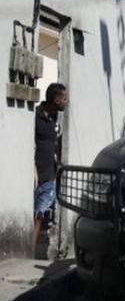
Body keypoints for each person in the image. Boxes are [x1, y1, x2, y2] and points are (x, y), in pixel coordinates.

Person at [34, 83, 68, 259]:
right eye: (63, 98)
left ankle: (42, 251)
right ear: (55, 99)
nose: (66, 102)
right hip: (38, 171)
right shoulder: (35, 117)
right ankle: (30, 251)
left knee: (45, 214)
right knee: (37, 215)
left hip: (51, 172)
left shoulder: (55, 119)